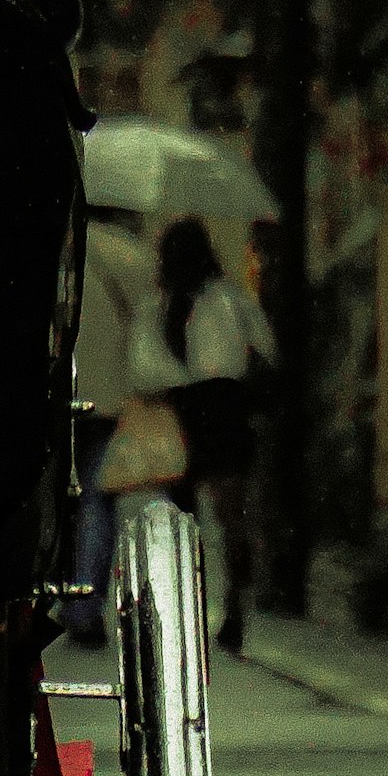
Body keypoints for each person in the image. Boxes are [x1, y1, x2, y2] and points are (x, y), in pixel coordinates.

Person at [126, 215, 265, 653]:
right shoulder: (230, 301)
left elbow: (142, 367)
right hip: (226, 407)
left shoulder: (157, 306)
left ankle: (190, 603)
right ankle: (234, 604)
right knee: (231, 515)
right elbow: (263, 348)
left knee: (183, 519)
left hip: (179, 411)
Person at [65, 201, 160, 646]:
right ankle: (85, 606)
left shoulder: (57, 241)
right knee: (96, 499)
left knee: (58, 497)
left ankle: (55, 593)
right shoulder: (130, 255)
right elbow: (147, 322)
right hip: (105, 394)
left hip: (56, 389)